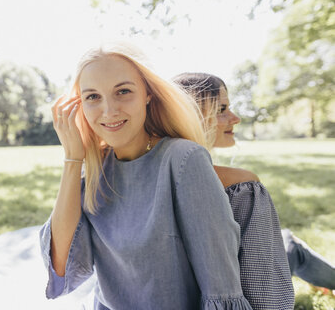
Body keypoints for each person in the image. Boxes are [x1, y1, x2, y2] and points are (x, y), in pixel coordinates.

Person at [39, 43, 253, 309]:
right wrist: (73, 159)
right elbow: (60, 265)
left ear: (148, 95)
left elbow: (222, 289)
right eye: (93, 97)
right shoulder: (93, 171)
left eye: (123, 91)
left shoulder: (184, 160)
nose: (109, 111)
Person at [173, 72, 335, 308]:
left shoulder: (138, 177)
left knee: (287, 239)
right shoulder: (241, 185)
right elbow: (265, 295)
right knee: (290, 245)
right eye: (222, 109)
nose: (235, 118)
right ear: (191, 115)